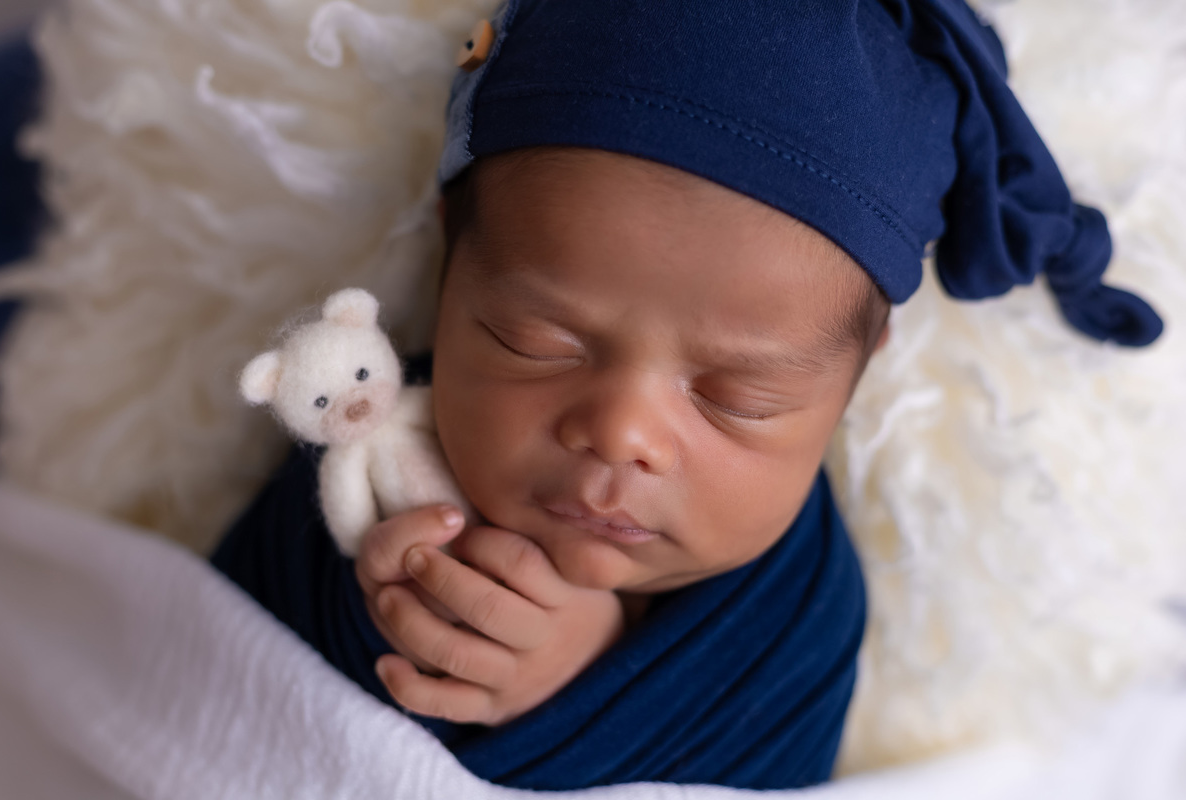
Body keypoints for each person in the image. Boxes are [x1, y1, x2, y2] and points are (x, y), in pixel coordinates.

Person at [211, 0, 1163, 791]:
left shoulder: (794, 623)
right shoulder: (360, 443)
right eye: (536, 343)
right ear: (448, 253)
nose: (622, 432)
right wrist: (372, 606)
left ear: (859, 372)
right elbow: (212, 684)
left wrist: (580, 686)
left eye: (739, 397)